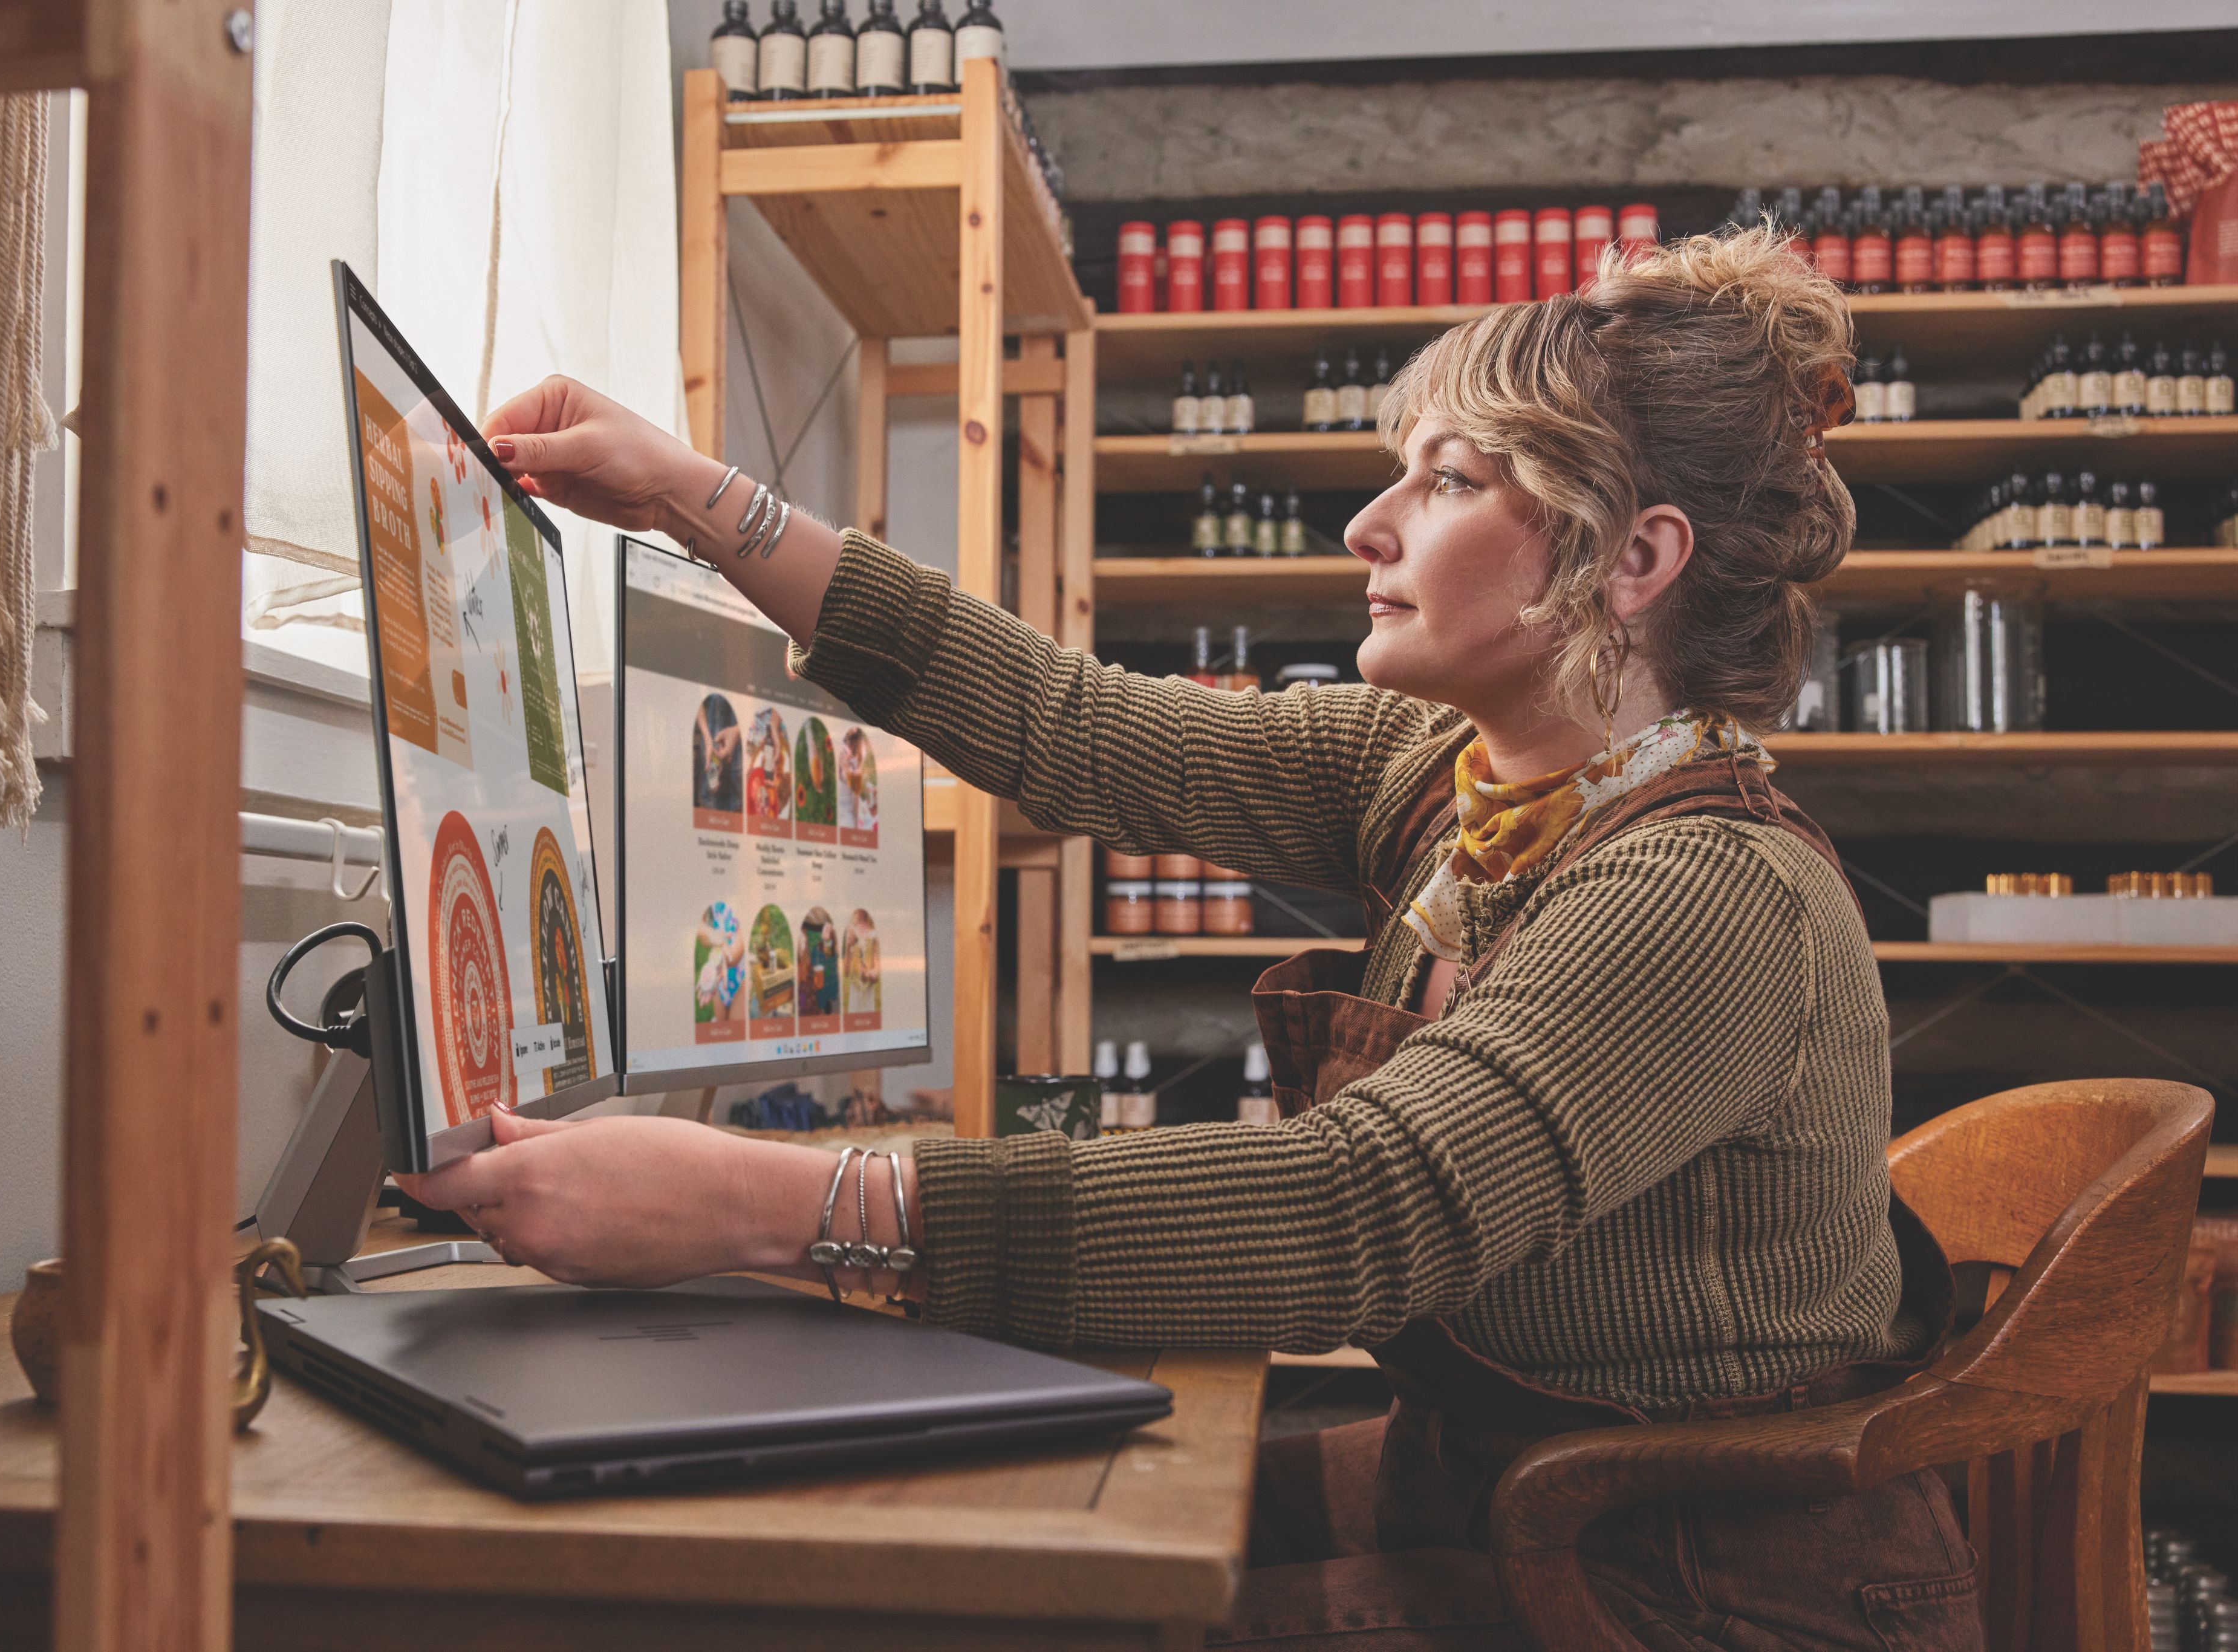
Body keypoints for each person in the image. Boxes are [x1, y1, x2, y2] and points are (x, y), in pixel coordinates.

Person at [395, 229, 1978, 1650]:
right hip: (1521, 1486)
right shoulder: (1452, 773)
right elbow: (1077, 728)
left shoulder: (1703, 895)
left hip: (1699, 1581)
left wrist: (770, 1205)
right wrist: (696, 493)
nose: (1369, 523)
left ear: (1634, 560)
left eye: (1445, 479)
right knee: (1002, 1533)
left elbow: (1351, 1210)